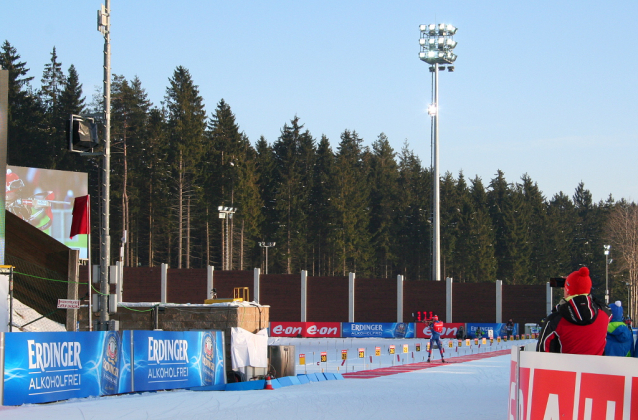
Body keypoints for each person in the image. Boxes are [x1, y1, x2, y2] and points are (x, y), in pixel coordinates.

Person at [537, 267, 611, 355]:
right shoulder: (604, 314)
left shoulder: (554, 320)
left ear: (567, 291)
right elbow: (602, 305)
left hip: (565, 368)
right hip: (595, 368)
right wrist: (581, 287)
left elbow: (541, 355)